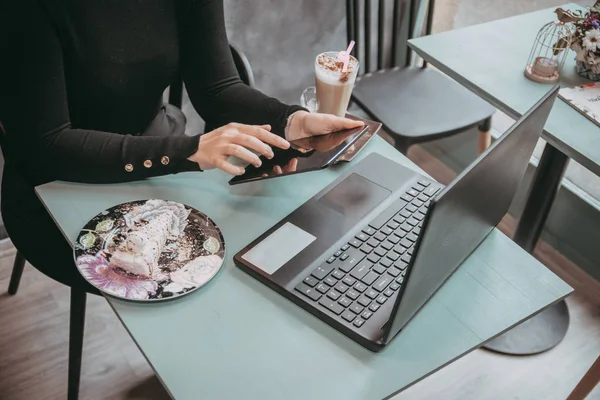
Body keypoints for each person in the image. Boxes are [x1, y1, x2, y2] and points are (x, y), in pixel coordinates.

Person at [0, 0, 363, 294]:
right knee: (210, 277)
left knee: (246, 251)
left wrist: (291, 122)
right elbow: (46, 143)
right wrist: (188, 151)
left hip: (153, 159)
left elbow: (217, 88)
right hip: (54, 186)